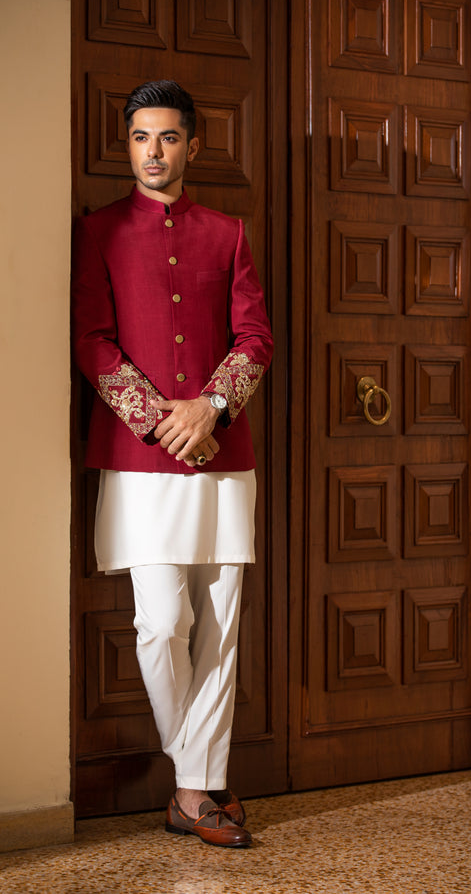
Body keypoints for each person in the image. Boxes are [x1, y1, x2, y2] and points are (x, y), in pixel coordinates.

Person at [71, 80, 273, 848]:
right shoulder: (99, 233)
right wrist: (164, 419)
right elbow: (91, 340)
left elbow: (255, 337)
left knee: (219, 629)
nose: (153, 152)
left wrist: (210, 408)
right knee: (162, 624)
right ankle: (200, 781)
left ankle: (192, 793)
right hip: (140, 457)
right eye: (140, 138)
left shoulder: (228, 232)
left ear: (192, 145)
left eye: (167, 138)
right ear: (127, 146)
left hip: (223, 456)